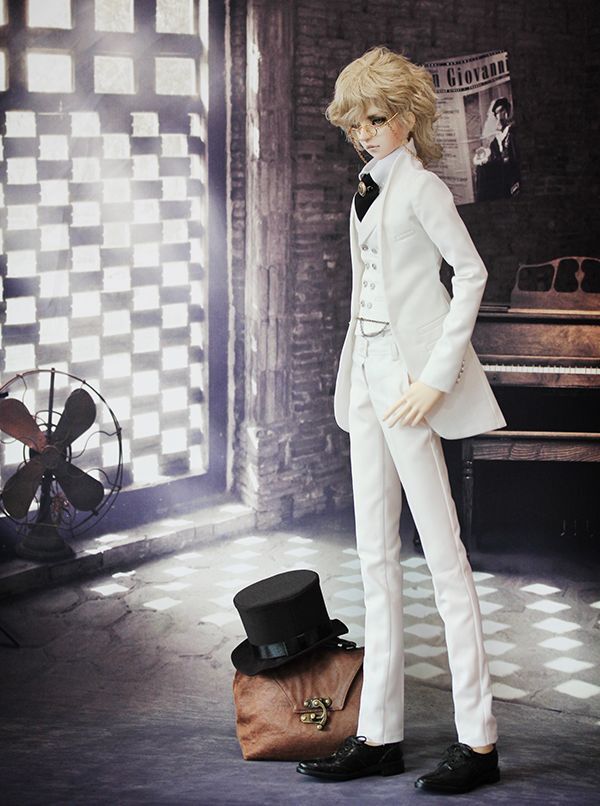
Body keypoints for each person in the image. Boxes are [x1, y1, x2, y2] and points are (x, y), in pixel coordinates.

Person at [295, 46, 506, 795]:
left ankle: (478, 740)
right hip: (366, 380)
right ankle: (379, 734)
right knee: (374, 560)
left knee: (444, 558)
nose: (363, 133)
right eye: (354, 123)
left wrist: (435, 378)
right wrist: (367, 370)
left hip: (412, 386)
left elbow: (471, 274)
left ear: (408, 118)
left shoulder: (422, 188)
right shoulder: (367, 188)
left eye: (376, 119)